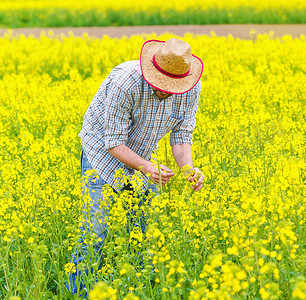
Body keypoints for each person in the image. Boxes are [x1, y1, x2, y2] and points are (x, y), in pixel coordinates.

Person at [66, 38, 205, 295]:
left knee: (144, 234)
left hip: (142, 156)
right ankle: (77, 294)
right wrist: (146, 167)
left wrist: (188, 169)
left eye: (174, 87)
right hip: (101, 154)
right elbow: (114, 143)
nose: (167, 92)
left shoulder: (190, 88)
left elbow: (182, 135)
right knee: (94, 233)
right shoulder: (125, 83)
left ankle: (140, 291)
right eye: (162, 86)